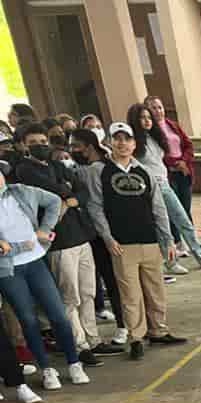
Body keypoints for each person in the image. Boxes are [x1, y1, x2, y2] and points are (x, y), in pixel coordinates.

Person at [82, 121, 182, 362]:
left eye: (126, 139)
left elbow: (158, 207)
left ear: (134, 143)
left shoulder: (143, 171)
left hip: (149, 240)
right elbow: (95, 207)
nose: (122, 143)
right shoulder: (99, 171)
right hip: (122, 244)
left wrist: (166, 239)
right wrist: (107, 237)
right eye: (117, 139)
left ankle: (158, 329)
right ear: (108, 142)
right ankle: (136, 337)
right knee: (130, 294)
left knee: (155, 289)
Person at [12, 121, 104, 365]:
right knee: (69, 296)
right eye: (33, 143)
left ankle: (93, 338)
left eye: (43, 142)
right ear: (23, 146)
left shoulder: (56, 165)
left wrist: (70, 194)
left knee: (88, 292)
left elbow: (81, 190)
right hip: (59, 242)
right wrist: (67, 191)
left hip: (81, 235)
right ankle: (78, 344)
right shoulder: (24, 171)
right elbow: (53, 193)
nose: (40, 146)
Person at [0, 166, 89, 390]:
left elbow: (54, 202)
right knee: (27, 319)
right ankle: (47, 369)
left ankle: (74, 363)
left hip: (36, 261)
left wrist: (45, 228)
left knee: (58, 314)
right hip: (8, 270)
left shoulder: (20, 191)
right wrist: (21, 245)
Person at [128, 102, 201, 270]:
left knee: (182, 219)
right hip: (149, 188)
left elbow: (166, 157)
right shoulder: (133, 142)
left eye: (149, 117)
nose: (147, 121)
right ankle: (171, 261)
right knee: (163, 226)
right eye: (142, 118)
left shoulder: (155, 137)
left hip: (164, 183)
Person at [66, 127, 127, 353]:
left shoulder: (91, 170)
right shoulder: (108, 164)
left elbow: (94, 206)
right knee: (118, 281)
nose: (72, 150)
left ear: (89, 147)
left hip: (102, 235)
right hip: (113, 232)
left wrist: (105, 236)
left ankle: (123, 325)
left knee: (112, 282)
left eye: (76, 146)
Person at [143, 96, 195, 216]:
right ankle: (175, 235)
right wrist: (175, 163)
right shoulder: (150, 131)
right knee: (174, 212)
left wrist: (184, 161)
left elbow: (188, 145)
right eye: (154, 108)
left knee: (186, 210)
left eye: (160, 107)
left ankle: (190, 234)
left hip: (184, 172)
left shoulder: (173, 125)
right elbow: (157, 153)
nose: (158, 111)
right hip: (168, 175)